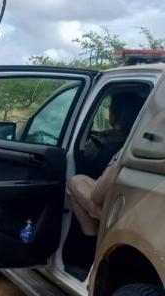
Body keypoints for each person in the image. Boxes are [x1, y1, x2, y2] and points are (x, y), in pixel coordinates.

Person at [67, 91, 144, 236]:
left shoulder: (123, 150)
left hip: (118, 208)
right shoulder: (146, 144)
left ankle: (93, 232)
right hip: (137, 204)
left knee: (75, 182)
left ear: (113, 115)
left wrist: (95, 209)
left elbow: (97, 196)